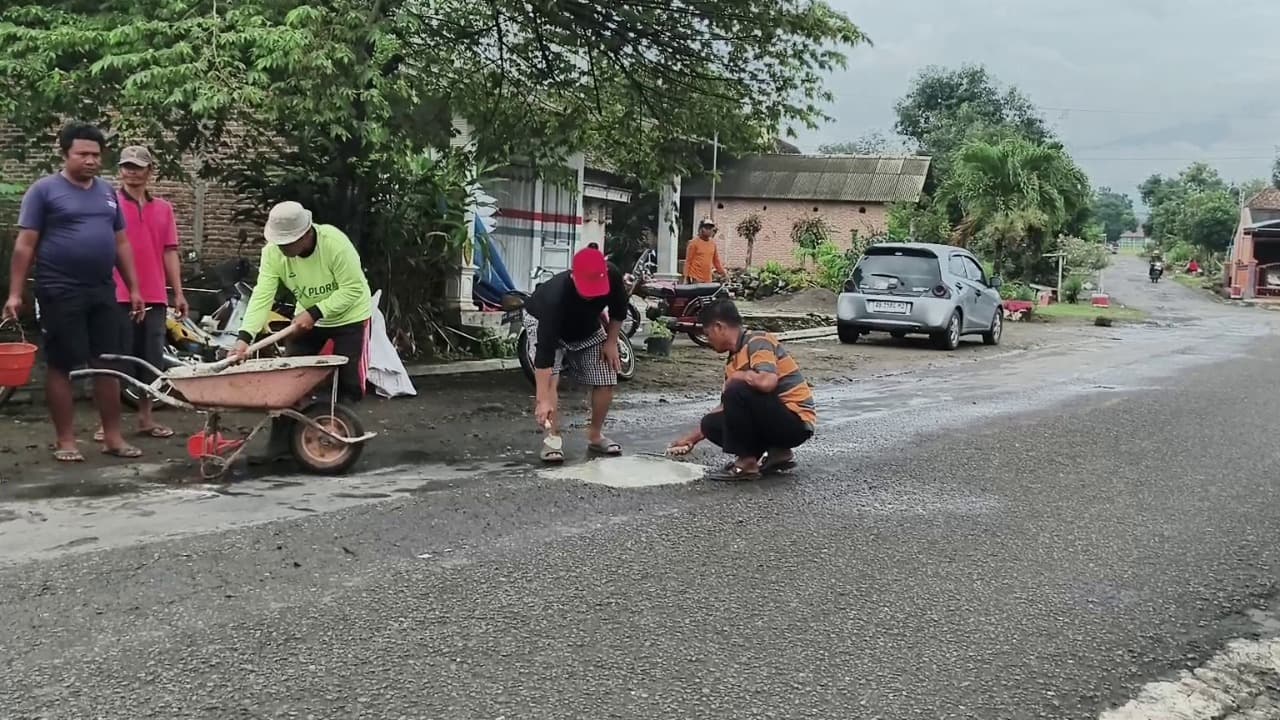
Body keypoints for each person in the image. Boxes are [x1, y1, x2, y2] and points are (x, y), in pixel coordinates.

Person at [3, 122, 145, 462]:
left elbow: (121, 243)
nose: (91, 160)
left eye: (96, 154)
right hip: (59, 289)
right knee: (61, 364)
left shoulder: (107, 192)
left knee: (107, 363)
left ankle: (113, 437)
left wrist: (134, 287)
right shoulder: (44, 191)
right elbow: (25, 245)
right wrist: (15, 293)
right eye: (83, 154)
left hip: (102, 290)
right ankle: (66, 441)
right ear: (65, 154)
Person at [229, 201, 372, 462]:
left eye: (287, 243)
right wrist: (245, 337)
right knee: (289, 381)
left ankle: (336, 440)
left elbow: (354, 289)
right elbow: (263, 294)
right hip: (307, 318)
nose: (282, 249)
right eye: (279, 243)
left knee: (348, 381)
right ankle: (281, 446)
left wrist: (316, 312)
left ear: (306, 234)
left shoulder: (335, 244)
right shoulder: (273, 253)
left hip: (349, 316)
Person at [92, 145, 188, 443]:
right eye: (127, 166)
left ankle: (146, 418)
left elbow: (170, 251)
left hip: (154, 295)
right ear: (120, 170)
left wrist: (178, 292)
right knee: (113, 358)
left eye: (138, 167)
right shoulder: (108, 204)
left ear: (150, 171)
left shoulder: (164, 209)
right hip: (116, 294)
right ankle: (108, 424)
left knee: (150, 358)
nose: (131, 172)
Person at [668, 300, 815, 481]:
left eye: (707, 334)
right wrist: (691, 439)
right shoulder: (733, 360)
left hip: (795, 423)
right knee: (710, 423)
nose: (708, 340)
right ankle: (778, 453)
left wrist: (739, 377)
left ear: (719, 327)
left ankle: (747, 463)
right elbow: (728, 408)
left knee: (737, 388)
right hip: (775, 421)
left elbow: (767, 382)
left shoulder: (758, 340)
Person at [523, 246, 627, 463]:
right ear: (573, 276)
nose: (591, 296)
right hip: (544, 324)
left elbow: (619, 311)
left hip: (586, 326)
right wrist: (542, 399)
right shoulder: (554, 297)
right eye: (587, 289)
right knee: (551, 381)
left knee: (606, 376)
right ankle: (552, 440)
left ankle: (595, 436)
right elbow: (544, 354)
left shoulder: (613, 276)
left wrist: (611, 342)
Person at [683, 218, 726, 284]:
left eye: (710, 228)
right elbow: (688, 261)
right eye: (706, 228)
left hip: (708, 278)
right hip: (696, 277)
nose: (709, 230)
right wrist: (685, 277)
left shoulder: (713, 244)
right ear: (701, 229)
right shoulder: (693, 243)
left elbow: (716, 261)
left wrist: (723, 273)